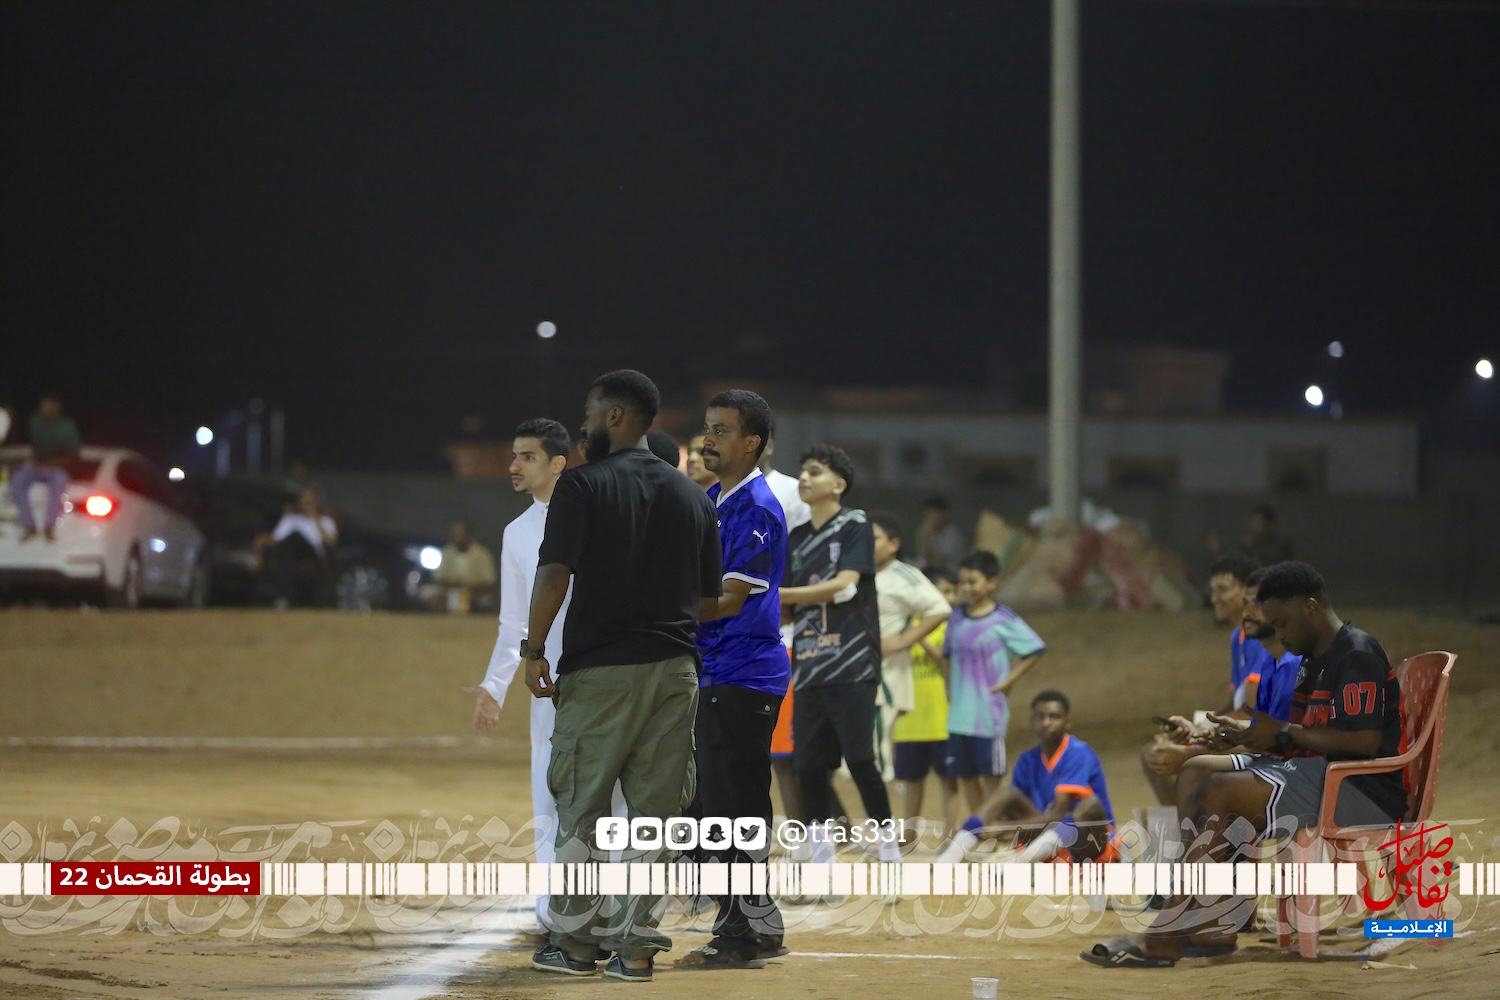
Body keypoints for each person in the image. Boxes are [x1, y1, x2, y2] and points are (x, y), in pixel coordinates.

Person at [1083, 561, 1406, 968]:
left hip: (1362, 790)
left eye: (1282, 623)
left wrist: (1281, 734)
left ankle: (1167, 933)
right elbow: (1302, 737)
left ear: (1310, 607)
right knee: (1203, 773)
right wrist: (1247, 737)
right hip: (1322, 775)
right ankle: (1210, 923)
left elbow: (1363, 741)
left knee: (1221, 789)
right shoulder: (1314, 658)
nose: (1280, 634)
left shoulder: (1355, 652)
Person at [524, 370, 722, 983]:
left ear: (615, 416)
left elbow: (554, 573)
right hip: (675, 673)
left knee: (582, 808)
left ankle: (576, 946)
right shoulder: (693, 497)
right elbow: (708, 598)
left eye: (589, 415)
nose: (583, 427)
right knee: (654, 817)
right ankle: (635, 951)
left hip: (602, 671)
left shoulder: (582, 485)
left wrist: (534, 649)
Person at [463, 419, 625, 942]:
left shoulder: (599, 514)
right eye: (514, 455)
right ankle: (552, 909)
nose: (514, 465)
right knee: (549, 791)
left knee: (615, 792)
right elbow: (513, 619)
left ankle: (614, 906)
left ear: (559, 462)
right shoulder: (516, 532)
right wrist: (495, 685)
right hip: (548, 683)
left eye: (527, 456)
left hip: (607, 671)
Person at [676, 389, 790, 970]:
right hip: (717, 672)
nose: (708, 439)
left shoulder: (756, 509)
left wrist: (659, 608)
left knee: (730, 806)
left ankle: (741, 931)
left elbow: (726, 601)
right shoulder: (714, 499)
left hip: (742, 674)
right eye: (707, 428)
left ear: (753, 443)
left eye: (721, 430)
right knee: (714, 803)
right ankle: (757, 920)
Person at [779, 443, 902, 865]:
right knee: (809, 766)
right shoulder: (795, 538)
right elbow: (788, 607)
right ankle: (822, 858)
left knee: (861, 759)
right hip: (809, 666)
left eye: (815, 471)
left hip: (852, 664)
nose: (804, 478)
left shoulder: (854, 524)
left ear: (839, 485)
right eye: (802, 471)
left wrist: (781, 595)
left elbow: (846, 584)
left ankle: (890, 853)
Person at [1139, 554, 1267, 804]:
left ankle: (1191, 823)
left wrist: (1200, 734)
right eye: (1213, 590)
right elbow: (1234, 704)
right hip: (1244, 735)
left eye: (1223, 590)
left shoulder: (1262, 642)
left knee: (1166, 759)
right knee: (1156, 754)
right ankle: (1186, 823)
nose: (1214, 598)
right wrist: (1193, 727)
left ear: (1249, 593)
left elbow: (1250, 712)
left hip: (1258, 744)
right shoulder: (1238, 638)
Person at [938, 690, 1116, 863]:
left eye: (1054, 717)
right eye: (1040, 717)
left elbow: (1058, 815)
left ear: (1068, 722)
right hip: (1047, 841)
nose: (1046, 723)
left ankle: (1017, 863)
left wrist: (1005, 828)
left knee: (1089, 806)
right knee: (1007, 793)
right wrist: (985, 828)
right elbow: (1013, 812)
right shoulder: (1027, 759)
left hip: (1088, 844)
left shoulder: (1078, 753)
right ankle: (952, 854)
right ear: (1032, 721)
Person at [942, 550, 1047, 815]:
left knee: (991, 777)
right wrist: (947, 687)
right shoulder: (956, 617)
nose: (966, 588)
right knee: (967, 775)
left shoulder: (1004, 619)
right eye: (962, 582)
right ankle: (978, 827)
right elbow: (947, 655)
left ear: (991, 583)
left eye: (973, 582)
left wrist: (1008, 680)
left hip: (988, 714)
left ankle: (991, 826)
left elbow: (1034, 649)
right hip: (959, 716)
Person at [869, 511, 951, 786]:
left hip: (885, 673)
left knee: (874, 760)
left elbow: (939, 608)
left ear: (894, 544)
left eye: (874, 538)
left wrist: (904, 640)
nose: (867, 543)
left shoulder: (904, 575)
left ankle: (879, 814)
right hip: (856, 671)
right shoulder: (854, 573)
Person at [891, 567, 959, 838]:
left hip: (942, 716)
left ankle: (950, 834)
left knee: (949, 780)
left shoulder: (949, 626)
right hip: (909, 717)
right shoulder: (904, 623)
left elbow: (944, 661)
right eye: (944, 591)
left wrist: (916, 635)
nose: (950, 598)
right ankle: (908, 834)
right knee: (912, 780)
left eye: (953, 592)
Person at [10, 392, 80, 542]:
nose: (43, 409)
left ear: (56, 407)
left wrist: (50, 464)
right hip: (36, 465)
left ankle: (49, 526)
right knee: (17, 480)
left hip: (55, 466)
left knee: (60, 480)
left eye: (47, 405)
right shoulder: (35, 420)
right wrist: (33, 459)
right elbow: (34, 443)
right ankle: (29, 526)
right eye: (42, 405)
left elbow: (73, 456)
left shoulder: (67, 427)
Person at [257, 488, 337, 607]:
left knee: (295, 537)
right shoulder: (290, 519)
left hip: (311, 553)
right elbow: (277, 539)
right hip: (289, 552)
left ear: (316, 502)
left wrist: (315, 520)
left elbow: (331, 543)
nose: (307, 504)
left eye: (310, 501)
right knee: (287, 549)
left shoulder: (325, 521)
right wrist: (262, 539)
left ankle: (283, 595)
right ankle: (283, 597)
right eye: (304, 501)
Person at [426, 520, 498, 613]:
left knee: (487, 599)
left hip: (474, 593)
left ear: (469, 535)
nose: (458, 537)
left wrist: (468, 587)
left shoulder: (482, 554)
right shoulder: (446, 552)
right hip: (448, 592)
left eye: (461, 533)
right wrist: (455, 586)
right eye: (455, 533)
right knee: (427, 591)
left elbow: (489, 581)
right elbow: (437, 578)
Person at [914, 496, 964, 573]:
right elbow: (922, 555)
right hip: (932, 572)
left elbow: (937, 559)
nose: (930, 519)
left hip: (950, 573)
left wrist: (928, 536)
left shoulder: (953, 533)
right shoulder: (928, 531)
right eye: (927, 515)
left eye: (932, 514)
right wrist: (924, 536)